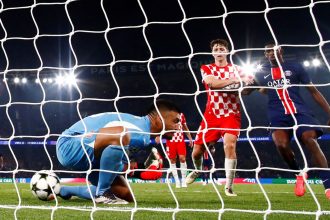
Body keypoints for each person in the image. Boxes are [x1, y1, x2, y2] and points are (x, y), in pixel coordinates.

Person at [55, 99, 181, 204]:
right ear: (159, 118)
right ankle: (103, 193)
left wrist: (140, 171)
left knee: (125, 195)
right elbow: (115, 146)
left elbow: (116, 163)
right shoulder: (139, 132)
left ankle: (64, 190)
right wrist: (139, 169)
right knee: (122, 133)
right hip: (69, 145)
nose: (178, 127)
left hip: (94, 152)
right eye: (175, 121)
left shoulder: (142, 134)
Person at [251, 42, 330, 198]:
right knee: (280, 144)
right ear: (265, 55)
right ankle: (298, 174)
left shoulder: (295, 67)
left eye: (274, 50)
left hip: (299, 111)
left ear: (281, 50)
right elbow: (250, 90)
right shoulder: (261, 73)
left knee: (310, 139)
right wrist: (243, 84)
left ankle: (328, 185)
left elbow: (313, 91)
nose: (271, 53)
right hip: (277, 114)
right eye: (268, 51)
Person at [185, 38, 253, 196]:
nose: (219, 51)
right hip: (211, 115)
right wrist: (237, 81)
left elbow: (248, 88)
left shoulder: (238, 68)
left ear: (227, 51)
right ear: (212, 52)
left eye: (222, 49)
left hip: (231, 114)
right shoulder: (206, 68)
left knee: (229, 145)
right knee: (196, 152)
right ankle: (197, 170)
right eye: (216, 49)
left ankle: (229, 187)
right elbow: (212, 84)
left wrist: (244, 86)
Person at [157, 113, 193, 188]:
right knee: (172, 160)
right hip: (170, 141)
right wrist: (157, 135)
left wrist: (190, 138)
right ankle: (177, 181)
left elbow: (185, 127)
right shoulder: (166, 116)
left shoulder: (181, 115)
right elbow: (161, 127)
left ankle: (183, 180)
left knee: (182, 158)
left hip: (180, 140)